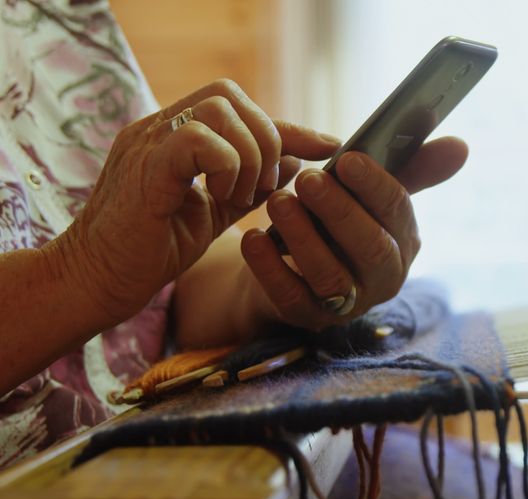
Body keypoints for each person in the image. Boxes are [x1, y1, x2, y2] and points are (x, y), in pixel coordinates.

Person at [0, 0, 467, 466]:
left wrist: (272, 284)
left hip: (186, 457)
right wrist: (79, 273)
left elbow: (170, 280)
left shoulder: (65, 14)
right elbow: (101, 268)